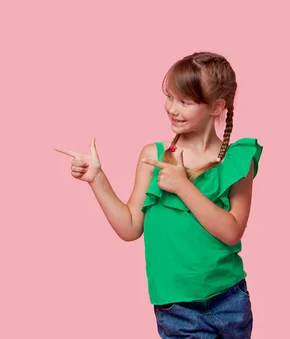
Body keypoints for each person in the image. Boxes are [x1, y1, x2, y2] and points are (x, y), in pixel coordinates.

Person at [55, 51, 263, 339]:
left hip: (230, 300)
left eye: (185, 101)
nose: (171, 109)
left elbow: (232, 231)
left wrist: (183, 186)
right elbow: (129, 228)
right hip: (177, 308)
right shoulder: (153, 156)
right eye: (169, 97)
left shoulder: (238, 159)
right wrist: (97, 179)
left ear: (216, 106)